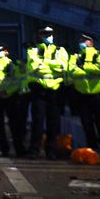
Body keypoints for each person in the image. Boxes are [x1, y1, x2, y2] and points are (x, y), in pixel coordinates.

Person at [25, 26, 70, 159]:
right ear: (40, 35)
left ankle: (51, 150)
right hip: (39, 90)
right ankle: (35, 150)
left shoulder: (60, 50)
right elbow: (33, 67)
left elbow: (63, 67)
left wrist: (43, 63)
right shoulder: (33, 50)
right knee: (37, 122)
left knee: (53, 122)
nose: (47, 36)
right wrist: (52, 65)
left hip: (55, 90)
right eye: (44, 34)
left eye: (49, 34)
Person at [70, 34, 100, 159]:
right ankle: (92, 150)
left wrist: (83, 67)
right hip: (82, 95)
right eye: (80, 40)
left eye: (84, 40)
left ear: (91, 42)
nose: (81, 42)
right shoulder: (75, 56)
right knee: (87, 125)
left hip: (98, 94)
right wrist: (87, 70)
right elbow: (71, 71)